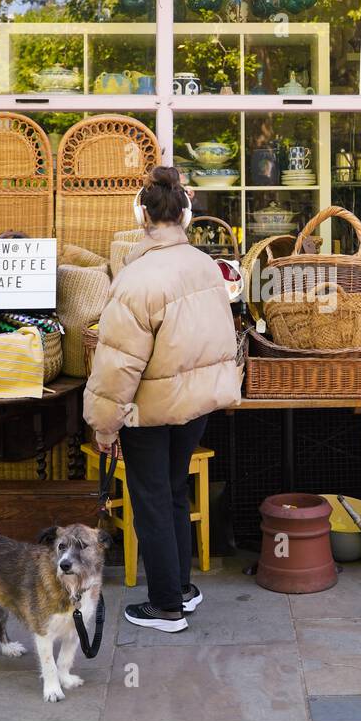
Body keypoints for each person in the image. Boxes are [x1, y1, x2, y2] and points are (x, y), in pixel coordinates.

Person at [83, 166, 241, 632]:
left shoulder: (136, 279)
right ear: (186, 215)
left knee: (150, 499)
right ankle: (181, 590)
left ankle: (166, 607)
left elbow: (118, 366)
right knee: (172, 490)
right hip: (196, 404)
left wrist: (103, 424)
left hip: (148, 409)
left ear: (142, 215)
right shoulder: (204, 266)